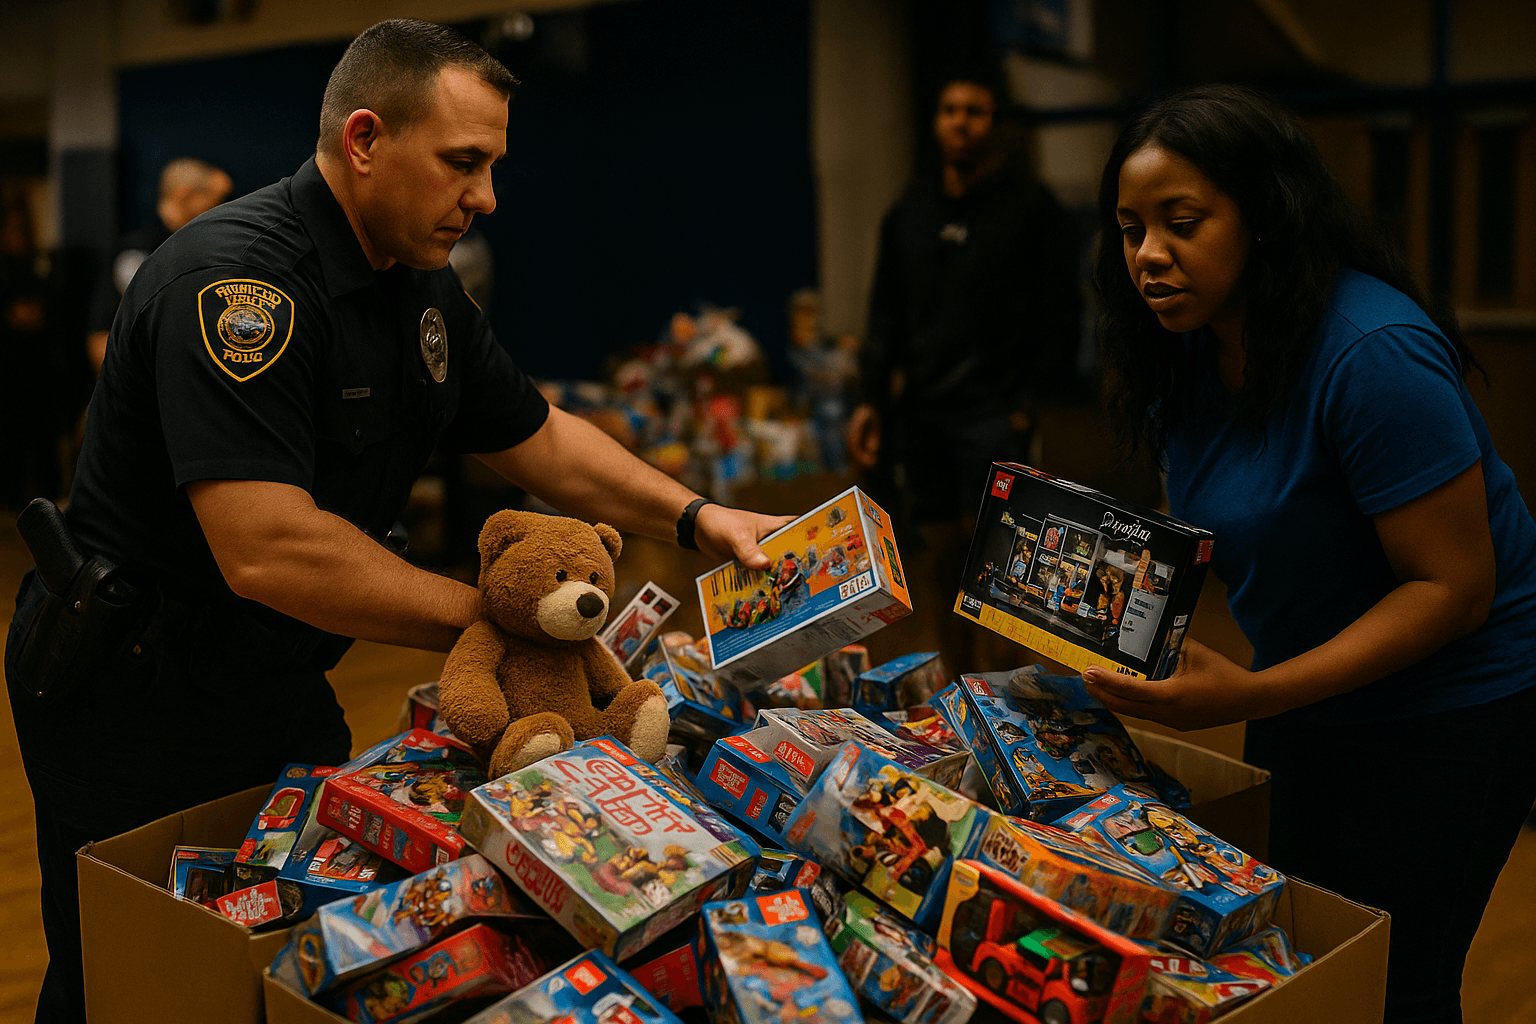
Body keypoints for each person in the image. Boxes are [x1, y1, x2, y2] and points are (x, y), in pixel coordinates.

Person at [3, 20, 788, 1024]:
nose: (486, 196)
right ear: (365, 139)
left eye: (494, 165)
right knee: (129, 974)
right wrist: (503, 621)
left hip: (270, 677)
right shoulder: (241, 286)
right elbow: (269, 547)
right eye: (464, 162)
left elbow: (538, 434)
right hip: (133, 687)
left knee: (285, 947)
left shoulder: (418, 288)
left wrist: (695, 511)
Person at [1080, 84, 1536, 1024]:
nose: (1149, 256)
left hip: (1452, 707)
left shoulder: (1373, 352)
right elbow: (1228, 523)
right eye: (1130, 229)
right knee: (1292, 966)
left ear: (1267, 218)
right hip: (1304, 685)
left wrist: (1249, 693)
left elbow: (1455, 589)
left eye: (1182, 223)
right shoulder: (1187, 345)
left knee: (1395, 986)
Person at [849, 71, 1081, 675]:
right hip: (923, 413)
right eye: (949, 108)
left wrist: (1029, 403)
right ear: (936, 120)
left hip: (996, 412)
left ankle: (1008, 694)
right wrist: (871, 400)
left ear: (995, 124)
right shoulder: (910, 211)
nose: (960, 121)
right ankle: (959, 681)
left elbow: (1062, 313)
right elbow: (885, 313)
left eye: (974, 111)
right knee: (943, 551)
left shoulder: (1033, 211)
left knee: (1002, 556)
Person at [84, 157, 233, 373]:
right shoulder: (138, 253)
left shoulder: (210, 249)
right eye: (214, 199)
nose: (220, 209)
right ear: (184, 195)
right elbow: (101, 336)